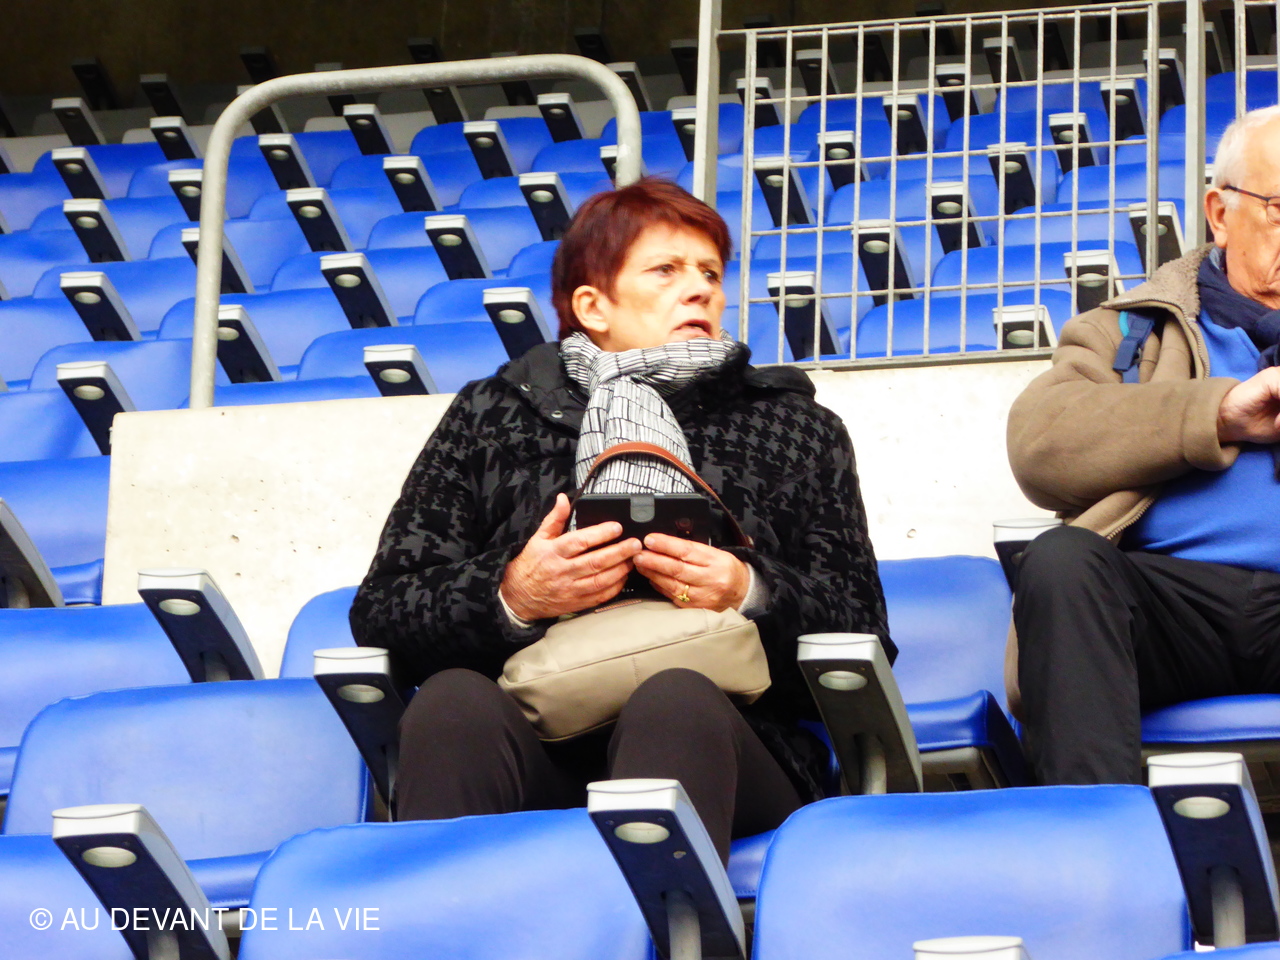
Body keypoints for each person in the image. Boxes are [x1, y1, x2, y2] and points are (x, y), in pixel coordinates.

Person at [349, 177, 889, 860]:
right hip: (537, 741)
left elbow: (863, 631)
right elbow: (384, 610)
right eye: (666, 270)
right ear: (592, 306)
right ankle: (449, 914)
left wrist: (748, 589)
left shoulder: (795, 427)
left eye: (710, 273)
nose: (699, 290)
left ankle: (660, 914)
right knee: (452, 704)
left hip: (731, 745)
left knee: (673, 702)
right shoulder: (491, 415)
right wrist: (514, 595)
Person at [1007, 105, 1280, 786]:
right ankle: (1097, 839)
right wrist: (1218, 415)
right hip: (1164, 606)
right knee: (1063, 561)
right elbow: (1040, 444)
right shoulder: (1134, 330)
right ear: (1220, 214)